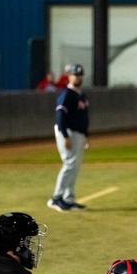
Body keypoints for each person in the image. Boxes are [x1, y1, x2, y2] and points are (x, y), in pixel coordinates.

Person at [47, 63, 90, 212]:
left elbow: (84, 117)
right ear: (69, 77)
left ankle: (68, 198)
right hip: (68, 132)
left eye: (79, 75)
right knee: (70, 164)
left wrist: (85, 136)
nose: (77, 77)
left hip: (78, 133)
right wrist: (65, 136)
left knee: (75, 166)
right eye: (75, 74)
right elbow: (60, 116)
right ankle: (56, 198)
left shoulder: (81, 95)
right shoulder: (67, 94)